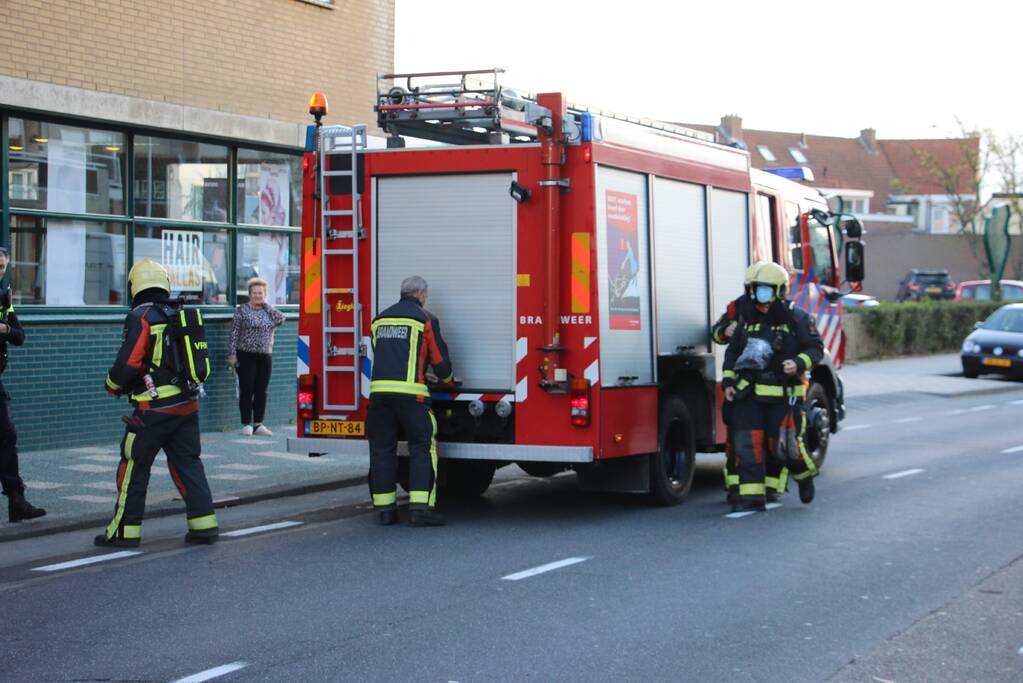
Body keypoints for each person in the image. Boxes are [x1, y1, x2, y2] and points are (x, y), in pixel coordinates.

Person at [96, 259, 218, 547]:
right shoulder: (177, 312)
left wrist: (111, 385)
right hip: (186, 406)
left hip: (151, 412)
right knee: (188, 463)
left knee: (133, 467)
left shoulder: (142, 315)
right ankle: (205, 526)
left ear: (134, 285)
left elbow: (129, 362)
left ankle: (124, 532)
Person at [721, 262, 822, 512]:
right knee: (747, 443)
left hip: (784, 395)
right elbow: (733, 353)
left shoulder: (797, 317)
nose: (758, 295)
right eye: (755, 289)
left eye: (764, 289)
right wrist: (729, 382)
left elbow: (815, 349)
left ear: (779, 290)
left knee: (785, 447)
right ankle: (752, 497)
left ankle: (804, 476)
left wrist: (798, 362)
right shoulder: (745, 318)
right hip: (749, 394)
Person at [367, 275, 453, 527]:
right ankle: (420, 510)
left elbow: (383, 354)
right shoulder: (424, 319)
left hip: (379, 396)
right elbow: (439, 362)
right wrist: (446, 379)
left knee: (382, 450)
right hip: (411, 397)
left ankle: (386, 512)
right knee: (422, 448)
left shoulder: (379, 320)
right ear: (421, 294)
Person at [0, 247, 46, 523]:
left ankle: (17, 502)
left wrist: (5, 329)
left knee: (7, 436)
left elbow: (20, 336)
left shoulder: (4, 298)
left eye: (2, 266)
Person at [227, 277, 286, 436]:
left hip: (265, 355)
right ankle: (246, 423)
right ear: (249, 294)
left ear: (265, 294)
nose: (257, 296)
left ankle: (258, 424)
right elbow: (234, 333)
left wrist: (266, 305)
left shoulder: (269, 311)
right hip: (245, 354)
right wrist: (232, 354)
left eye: (260, 293)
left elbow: (281, 319)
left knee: (262, 390)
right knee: (247, 389)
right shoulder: (242, 310)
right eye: (254, 293)